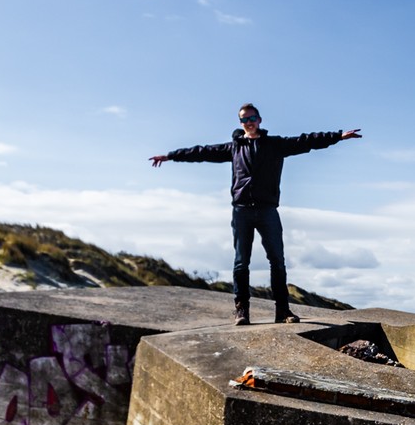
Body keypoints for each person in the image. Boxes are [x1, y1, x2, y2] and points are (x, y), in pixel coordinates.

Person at [150, 103, 361, 325]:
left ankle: (283, 311)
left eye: (252, 118)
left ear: (259, 119)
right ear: (240, 123)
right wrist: (170, 156)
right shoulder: (234, 148)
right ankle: (241, 311)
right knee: (241, 262)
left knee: (277, 261)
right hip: (241, 211)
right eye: (244, 120)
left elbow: (306, 141)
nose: (248, 123)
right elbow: (201, 152)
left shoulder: (274, 145)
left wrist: (338, 136)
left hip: (268, 210)